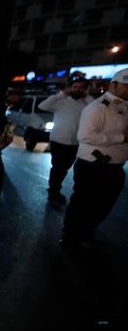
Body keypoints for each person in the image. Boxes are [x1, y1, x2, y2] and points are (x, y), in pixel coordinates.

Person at [61, 68, 128, 250]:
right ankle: (69, 238)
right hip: (94, 166)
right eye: (126, 85)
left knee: (103, 206)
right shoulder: (98, 107)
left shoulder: (124, 107)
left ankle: (85, 232)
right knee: (82, 205)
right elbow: (85, 136)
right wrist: (121, 137)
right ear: (113, 84)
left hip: (115, 168)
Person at [38, 76, 91, 205]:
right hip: (58, 141)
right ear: (70, 88)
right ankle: (53, 193)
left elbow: (95, 107)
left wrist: (88, 97)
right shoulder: (61, 101)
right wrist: (62, 94)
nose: (78, 90)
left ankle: (55, 189)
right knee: (57, 168)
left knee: (64, 169)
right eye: (75, 87)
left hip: (75, 143)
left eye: (82, 87)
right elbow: (42, 106)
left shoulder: (86, 104)